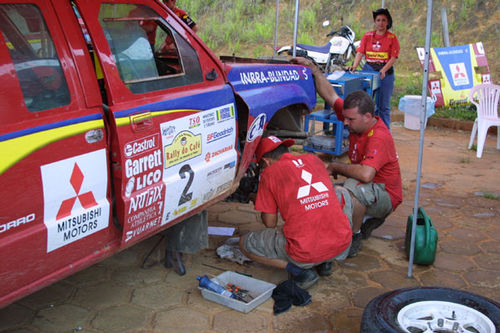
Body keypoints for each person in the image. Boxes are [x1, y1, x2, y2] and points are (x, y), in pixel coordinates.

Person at [290, 56, 403, 257]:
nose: (346, 123)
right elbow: (331, 95)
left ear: (367, 117)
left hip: (386, 194)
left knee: (348, 191)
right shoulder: (354, 117)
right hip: (370, 186)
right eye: (346, 118)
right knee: (326, 193)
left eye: (351, 119)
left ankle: (354, 237)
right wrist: (314, 70)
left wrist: (335, 166)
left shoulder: (379, 136)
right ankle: (363, 221)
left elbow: (367, 175)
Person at [239, 136, 353, 289]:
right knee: (340, 192)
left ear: (266, 161)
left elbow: (270, 223)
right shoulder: (314, 160)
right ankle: (326, 263)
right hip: (342, 246)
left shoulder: (269, 173)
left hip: (305, 253)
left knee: (245, 243)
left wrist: (258, 198)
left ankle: (300, 272)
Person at [347, 8, 399, 129]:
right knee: (365, 103)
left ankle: (385, 132)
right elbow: (360, 52)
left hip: (385, 73)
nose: (381, 23)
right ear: (375, 22)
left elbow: (393, 57)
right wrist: (354, 66)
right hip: (369, 69)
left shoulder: (392, 37)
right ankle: (365, 129)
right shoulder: (367, 36)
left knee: (383, 105)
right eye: (378, 20)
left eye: (383, 20)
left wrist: (384, 70)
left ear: (388, 22)